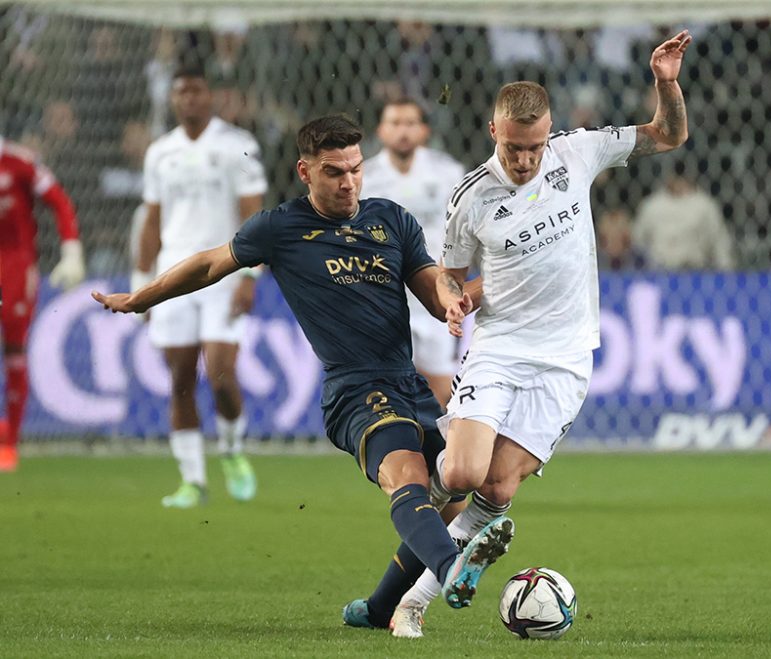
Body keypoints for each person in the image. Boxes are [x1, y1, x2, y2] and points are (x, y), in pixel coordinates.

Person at [93, 113, 513, 616]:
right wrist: (142, 297)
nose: (349, 182)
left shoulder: (391, 220)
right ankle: (451, 570)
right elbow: (209, 264)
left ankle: (379, 609)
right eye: (335, 171)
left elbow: (433, 289)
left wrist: (456, 300)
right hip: (354, 391)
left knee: (453, 500)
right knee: (407, 475)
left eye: (356, 169)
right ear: (305, 171)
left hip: (409, 382)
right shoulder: (282, 228)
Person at [368, 30, 692, 638]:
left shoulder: (578, 152)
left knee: (498, 486)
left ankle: (411, 604)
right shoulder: (470, 198)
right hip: (498, 348)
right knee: (462, 476)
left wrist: (666, 83)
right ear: (495, 132)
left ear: (551, 133)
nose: (525, 161)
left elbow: (668, 134)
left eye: (535, 148)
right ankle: (427, 505)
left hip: (566, 359)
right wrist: (453, 301)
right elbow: (450, 277)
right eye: (515, 149)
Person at [134, 63, 265, 508]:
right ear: (172, 99)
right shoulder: (160, 152)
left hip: (222, 271)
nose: (188, 98)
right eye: (181, 91)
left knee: (222, 373)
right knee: (180, 379)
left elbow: (252, 214)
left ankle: (230, 448)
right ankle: (193, 480)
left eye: (196, 90)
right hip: (172, 274)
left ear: (211, 96)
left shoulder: (237, 145)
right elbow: (152, 221)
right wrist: (142, 284)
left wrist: (250, 274)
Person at [362, 98, 467, 407]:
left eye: (410, 123)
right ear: (381, 130)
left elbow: (463, 230)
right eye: (395, 123)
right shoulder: (364, 178)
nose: (402, 131)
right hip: (384, 297)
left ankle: (437, 453)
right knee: (384, 387)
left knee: (441, 388)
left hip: (435, 294)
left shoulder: (448, 172)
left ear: (424, 130)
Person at [0, 137, 86, 471]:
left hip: (14, 265)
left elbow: (59, 201)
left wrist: (71, 250)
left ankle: (10, 442)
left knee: (14, 349)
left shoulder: (17, 161)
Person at [632, 162, 734, 270]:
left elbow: (719, 240)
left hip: (694, 269)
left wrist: (726, 269)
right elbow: (638, 240)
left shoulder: (705, 205)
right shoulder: (652, 205)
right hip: (659, 270)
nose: (679, 180)